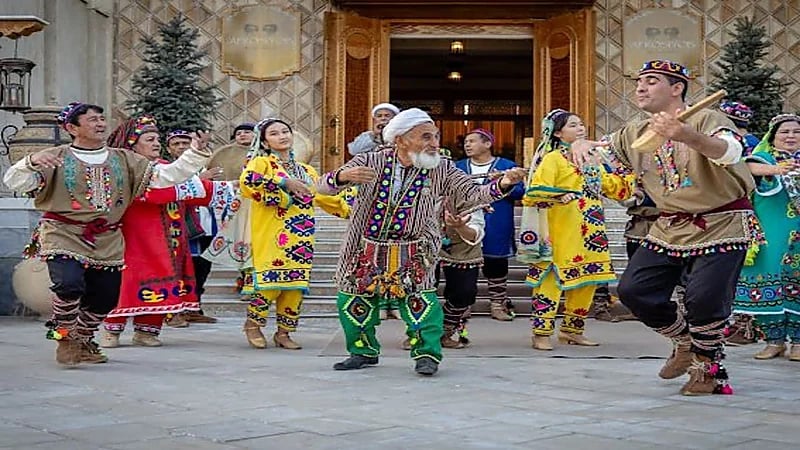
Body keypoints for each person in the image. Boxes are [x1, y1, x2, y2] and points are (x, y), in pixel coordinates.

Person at [571, 60, 758, 395]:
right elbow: (604, 154)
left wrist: (686, 135)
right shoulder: (634, 131)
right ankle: (684, 341)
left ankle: (707, 370)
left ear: (677, 88)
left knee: (704, 299)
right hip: (669, 224)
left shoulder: (708, 119)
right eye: (638, 81)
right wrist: (580, 145)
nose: (640, 87)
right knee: (634, 290)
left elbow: (731, 152)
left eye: (651, 81)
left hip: (721, 221)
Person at [316, 108, 527, 376]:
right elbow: (321, 187)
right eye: (426, 137)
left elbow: (473, 194)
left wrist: (506, 182)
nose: (435, 143)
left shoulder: (442, 167)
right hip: (364, 246)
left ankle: (426, 354)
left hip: (415, 249)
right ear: (400, 139)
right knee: (353, 299)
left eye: (436, 136)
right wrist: (343, 177)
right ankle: (362, 352)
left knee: (422, 304)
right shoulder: (369, 160)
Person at [3, 102, 212, 366]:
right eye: (92, 120)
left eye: (102, 119)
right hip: (63, 231)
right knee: (68, 284)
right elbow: (15, 182)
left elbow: (165, 177)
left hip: (107, 236)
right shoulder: (55, 156)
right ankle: (64, 337)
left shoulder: (124, 159)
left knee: (107, 296)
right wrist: (29, 163)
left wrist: (195, 154)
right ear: (72, 128)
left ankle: (83, 339)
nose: (100, 123)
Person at [218, 118, 353, 350]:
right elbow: (248, 182)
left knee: (295, 288)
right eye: (274, 133)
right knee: (270, 285)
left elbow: (322, 196)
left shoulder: (306, 170)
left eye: (285, 131)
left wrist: (352, 206)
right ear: (265, 142)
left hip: (301, 238)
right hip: (271, 235)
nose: (282, 136)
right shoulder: (261, 163)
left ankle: (284, 332)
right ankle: (253, 325)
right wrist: (284, 182)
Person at [100, 118, 234, 347]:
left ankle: (147, 331)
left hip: (170, 240)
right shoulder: (123, 170)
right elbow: (153, 193)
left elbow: (196, 190)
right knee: (127, 282)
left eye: (157, 139)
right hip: (135, 240)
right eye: (149, 139)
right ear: (132, 144)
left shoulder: (164, 167)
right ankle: (112, 329)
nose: (156, 143)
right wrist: (192, 182)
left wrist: (234, 188)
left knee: (163, 281)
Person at [521, 109, 634, 350]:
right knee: (550, 282)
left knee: (587, 282)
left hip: (591, 232)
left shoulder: (592, 160)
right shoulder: (552, 159)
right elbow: (534, 193)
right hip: (560, 232)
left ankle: (572, 331)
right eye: (573, 125)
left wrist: (629, 171)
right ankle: (541, 333)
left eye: (581, 124)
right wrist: (559, 195)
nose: (580, 128)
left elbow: (617, 189)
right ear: (558, 133)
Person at [734, 114, 800, 361]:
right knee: (767, 282)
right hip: (770, 235)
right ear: (773, 136)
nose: (791, 136)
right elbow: (747, 167)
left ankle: (798, 342)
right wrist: (776, 169)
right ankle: (774, 341)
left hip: (797, 236)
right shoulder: (763, 158)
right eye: (785, 132)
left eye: (796, 132)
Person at [456, 128, 525, 321]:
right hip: (466, 220)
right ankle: (462, 305)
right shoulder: (458, 167)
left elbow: (520, 193)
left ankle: (497, 304)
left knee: (496, 263)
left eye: (472, 141)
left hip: (497, 220)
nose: (467, 145)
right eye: (466, 142)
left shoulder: (506, 166)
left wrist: (505, 183)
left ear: (487, 144)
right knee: (464, 264)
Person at [165, 129, 221, 325]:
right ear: (168, 149)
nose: (181, 147)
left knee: (202, 268)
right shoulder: (167, 169)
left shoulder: (203, 165)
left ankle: (194, 307)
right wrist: (200, 179)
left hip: (206, 225)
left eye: (185, 143)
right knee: (180, 270)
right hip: (180, 227)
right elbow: (172, 192)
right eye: (176, 144)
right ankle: (173, 311)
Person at [438, 186, 487, 349]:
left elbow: (476, 231)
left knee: (464, 291)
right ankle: (419, 334)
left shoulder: (468, 193)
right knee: (418, 291)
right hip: (424, 245)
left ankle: (445, 331)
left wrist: (460, 226)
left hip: (463, 248)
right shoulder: (416, 187)